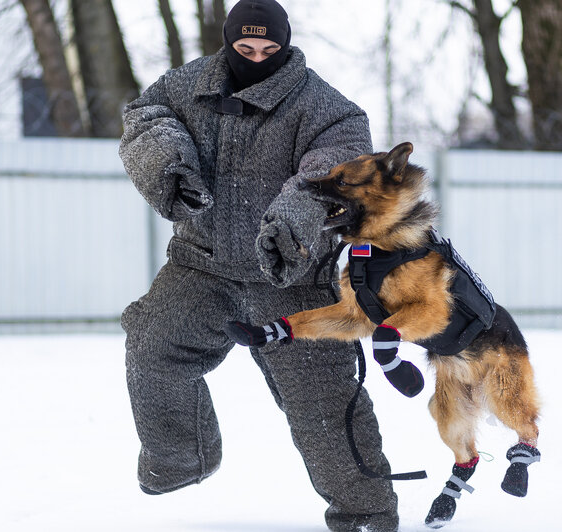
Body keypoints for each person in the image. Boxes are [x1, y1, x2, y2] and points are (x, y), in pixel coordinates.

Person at [119, 1, 398, 530]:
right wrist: (168, 163)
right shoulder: (185, 86)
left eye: (269, 50)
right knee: (152, 342)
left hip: (290, 276)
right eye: (245, 50)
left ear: (286, 46)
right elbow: (144, 120)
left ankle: (366, 513)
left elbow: (334, 171)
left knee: (324, 407)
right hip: (201, 266)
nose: (257, 58)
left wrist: (293, 218)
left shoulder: (328, 109)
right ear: (228, 45)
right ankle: (184, 458)